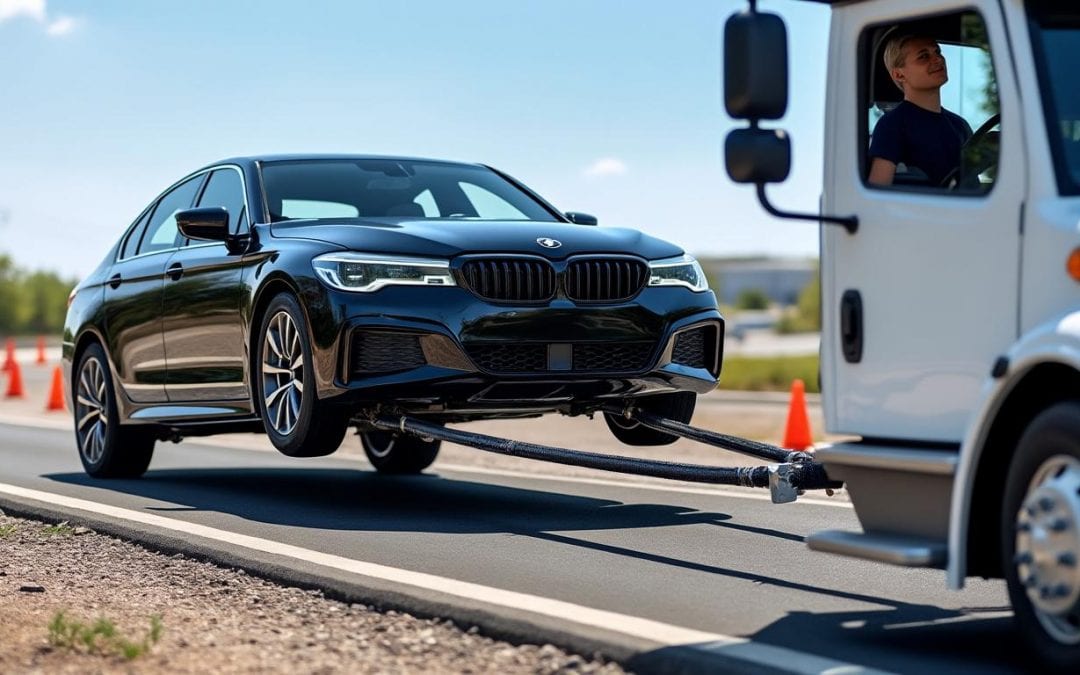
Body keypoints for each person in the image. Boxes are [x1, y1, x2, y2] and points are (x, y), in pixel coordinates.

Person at [868, 33, 973, 186]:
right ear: (899, 74)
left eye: (937, 52)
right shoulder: (892, 125)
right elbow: (877, 191)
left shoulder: (960, 125)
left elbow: (972, 185)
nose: (938, 59)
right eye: (923, 56)